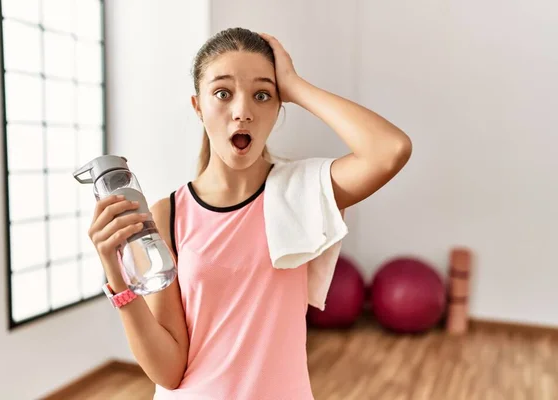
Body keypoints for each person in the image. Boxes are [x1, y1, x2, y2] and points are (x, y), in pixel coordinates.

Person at [87, 27, 412, 399]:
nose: (242, 112)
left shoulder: (303, 191)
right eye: (222, 93)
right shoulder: (168, 214)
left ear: (278, 107)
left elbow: (391, 150)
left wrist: (295, 85)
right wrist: (117, 277)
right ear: (198, 106)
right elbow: (169, 370)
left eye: (262, 95)